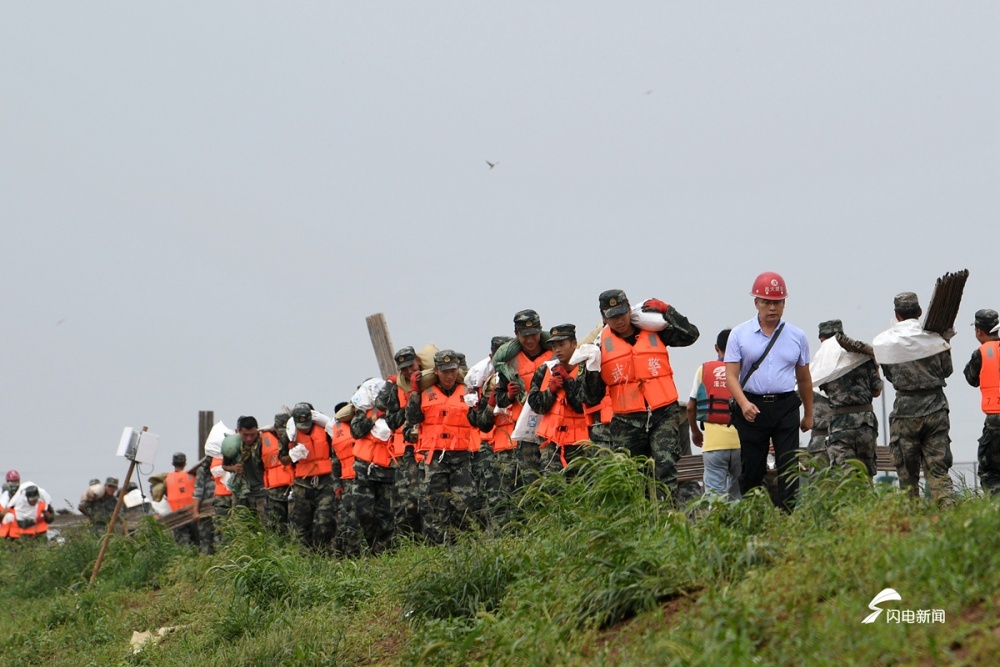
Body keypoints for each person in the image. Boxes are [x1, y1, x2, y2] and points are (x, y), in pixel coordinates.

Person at [579, 289, 700, 500]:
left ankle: (667, 519)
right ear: (603, 317)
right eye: (612, 316)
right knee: (632, 475)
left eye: (622, 313)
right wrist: (592, 369)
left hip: (663, 412)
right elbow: (590, 397)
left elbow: (690, 335)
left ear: (629, 308)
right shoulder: (597, 346)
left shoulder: (654, 330)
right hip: (627, 421)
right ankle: (642, 523)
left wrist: (667, 310)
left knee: (665, 467)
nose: (619, 320)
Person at [725, 272, 813, 511]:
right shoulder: (740, 335)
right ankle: (754, 515)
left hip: (785, 406)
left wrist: (808, 413)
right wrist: (743, 404)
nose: (772, 308)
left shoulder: (797, 336)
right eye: (766, 302)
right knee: (752, 468)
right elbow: (731, 376)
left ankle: (788, 518)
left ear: (784, 304)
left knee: (789, 466)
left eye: (777, 302)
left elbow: (804, 379)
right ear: (756, 303)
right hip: (752, 406)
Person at [872, 292, 954, 502]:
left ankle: (911, 522)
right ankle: (948, 513)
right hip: (936, 408)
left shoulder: (886, 342)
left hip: (906, 412)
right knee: (938, 471)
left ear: (897, 315)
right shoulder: (934, 337)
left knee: (907, 476)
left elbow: (890, 376)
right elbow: (947, 370)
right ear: (919, 312)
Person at [404, 349, 479, 545]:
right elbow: (412, 418)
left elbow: (478, 420)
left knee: (465, 504)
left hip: (461, 456)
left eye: (453, 370)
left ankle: (467, 548)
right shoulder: (424, 392)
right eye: (445, 371)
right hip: (434, 458)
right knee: (435, 508)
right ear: (436, 371)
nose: (449, 375)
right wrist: (413, 391)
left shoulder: (466, 391)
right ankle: (438, 551)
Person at [494, 309, 555, 489]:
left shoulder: (553, 355)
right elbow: (499, 399)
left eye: (534, 334)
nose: (530, 340)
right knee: (531, 484)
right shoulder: (509, 362)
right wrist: (509, 395)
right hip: (525, 430)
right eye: (524, 335)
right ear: (516, 335)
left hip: (551, 426)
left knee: (553, 480)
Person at [815, 320, 883, 476]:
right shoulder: (862, 357)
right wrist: (875, 364)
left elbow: (818, 388)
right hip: (866, 424)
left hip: (841, 425)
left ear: (822, 339)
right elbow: (877, 391)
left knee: (843, 478)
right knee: (866, 475)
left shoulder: (824, 363)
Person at [527, 324, 591, 476]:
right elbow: (535, 405)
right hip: (551, 442)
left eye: (562, 345)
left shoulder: (586, 368)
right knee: (552, 487)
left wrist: (568, 380)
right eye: (554, 346)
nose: (557, 350)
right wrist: (551, 391)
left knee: (580, 488)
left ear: (574, 344)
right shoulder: (545, 370)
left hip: (580, 442)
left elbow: (581, 404)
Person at [688, 328, 741, 501]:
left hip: (714, 444)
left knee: (714, 496)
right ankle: (738, 527)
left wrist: (695, 431)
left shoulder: (703, 370)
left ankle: (716, 527)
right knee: (738, 494)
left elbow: (690, 407)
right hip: (742, 443)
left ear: (716, 347)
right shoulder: (745, 371)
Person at [468, 336, 516, 529]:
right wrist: (489, 403)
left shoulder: (520, 376)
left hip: (523, 444)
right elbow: (480, 422)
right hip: (494, 449)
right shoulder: (486, 385)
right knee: (497, 499)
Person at [378, 346, 424, 539]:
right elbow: (391, 420)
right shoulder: (396, 388)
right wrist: (408, 410)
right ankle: (410, 543)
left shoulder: (432, 379)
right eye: (404, 368)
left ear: (418, 361)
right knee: (409, 501)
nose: (409, 371)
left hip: (432, 447)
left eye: (411, 365)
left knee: (429, 497)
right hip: (408, 450)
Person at [286, 402, 339, 553]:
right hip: (302, 484)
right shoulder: (290, 435)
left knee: (324, 521)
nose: (306, 429)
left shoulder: (324, 429)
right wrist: (293, 454)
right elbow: (282, 459)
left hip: (325, 482)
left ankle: (323, 552)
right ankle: (306, 558)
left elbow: (335, 450)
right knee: (302, 524)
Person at [350, 393, 397, 555]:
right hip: (364, 469)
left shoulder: (397, 412)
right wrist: (374, 418)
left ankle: (383, 554)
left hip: (388, 471)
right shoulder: (364, 412)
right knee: (363, 511)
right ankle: (371, 545)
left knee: (386, 516)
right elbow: (356, 431)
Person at [963, 309, 1000, 495]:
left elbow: (971, 378)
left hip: (995, 420)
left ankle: (996, 512)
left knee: (991, 472)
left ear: (979, 331)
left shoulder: (982, 353)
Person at [222, 415, 268, 524]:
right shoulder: (232, 446)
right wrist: (233, 468)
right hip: (241, 493)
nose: (249, 438)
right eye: (245, 435)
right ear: (238, 431)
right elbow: (224, 466)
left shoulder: (264, 444)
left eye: (252, 434)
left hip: (262, 492)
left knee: (265, 525)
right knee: (240, 526)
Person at [261, 413, 294, 531]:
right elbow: (257, 464)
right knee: (276, 526)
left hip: (293, 489)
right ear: (275, 427)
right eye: (280, 430)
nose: (282, 434)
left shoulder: (295, 437)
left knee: (293, 525)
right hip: (274, 492)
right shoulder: (263, 440)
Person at [165, 452, 199, 546]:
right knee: (196, 542)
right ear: (185, 464)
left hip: (177, 517)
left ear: (173, 464)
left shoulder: (167, 478)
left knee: (181, 544)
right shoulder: (192, 476)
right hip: (192, 514)